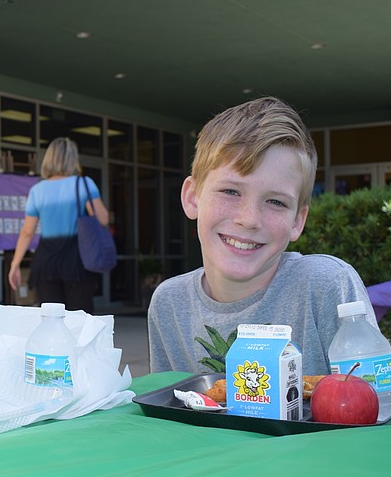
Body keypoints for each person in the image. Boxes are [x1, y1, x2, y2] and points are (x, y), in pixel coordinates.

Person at [148, 96, 376, 376]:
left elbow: (373, 405)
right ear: (192, 198)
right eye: (230, 191)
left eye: (276, 202)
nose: (249, 219)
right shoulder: (169, 304)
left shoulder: (326, 285)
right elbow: (166, 414)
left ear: (297, 220)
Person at [8, 137, 110, 313]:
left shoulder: (37, 190)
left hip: (46, 263)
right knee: (79, 323)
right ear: (72, 159)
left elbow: (27, 232)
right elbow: (103, 219)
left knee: (50, 322)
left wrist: (15, 264)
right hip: (77, 263)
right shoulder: (84, 184)